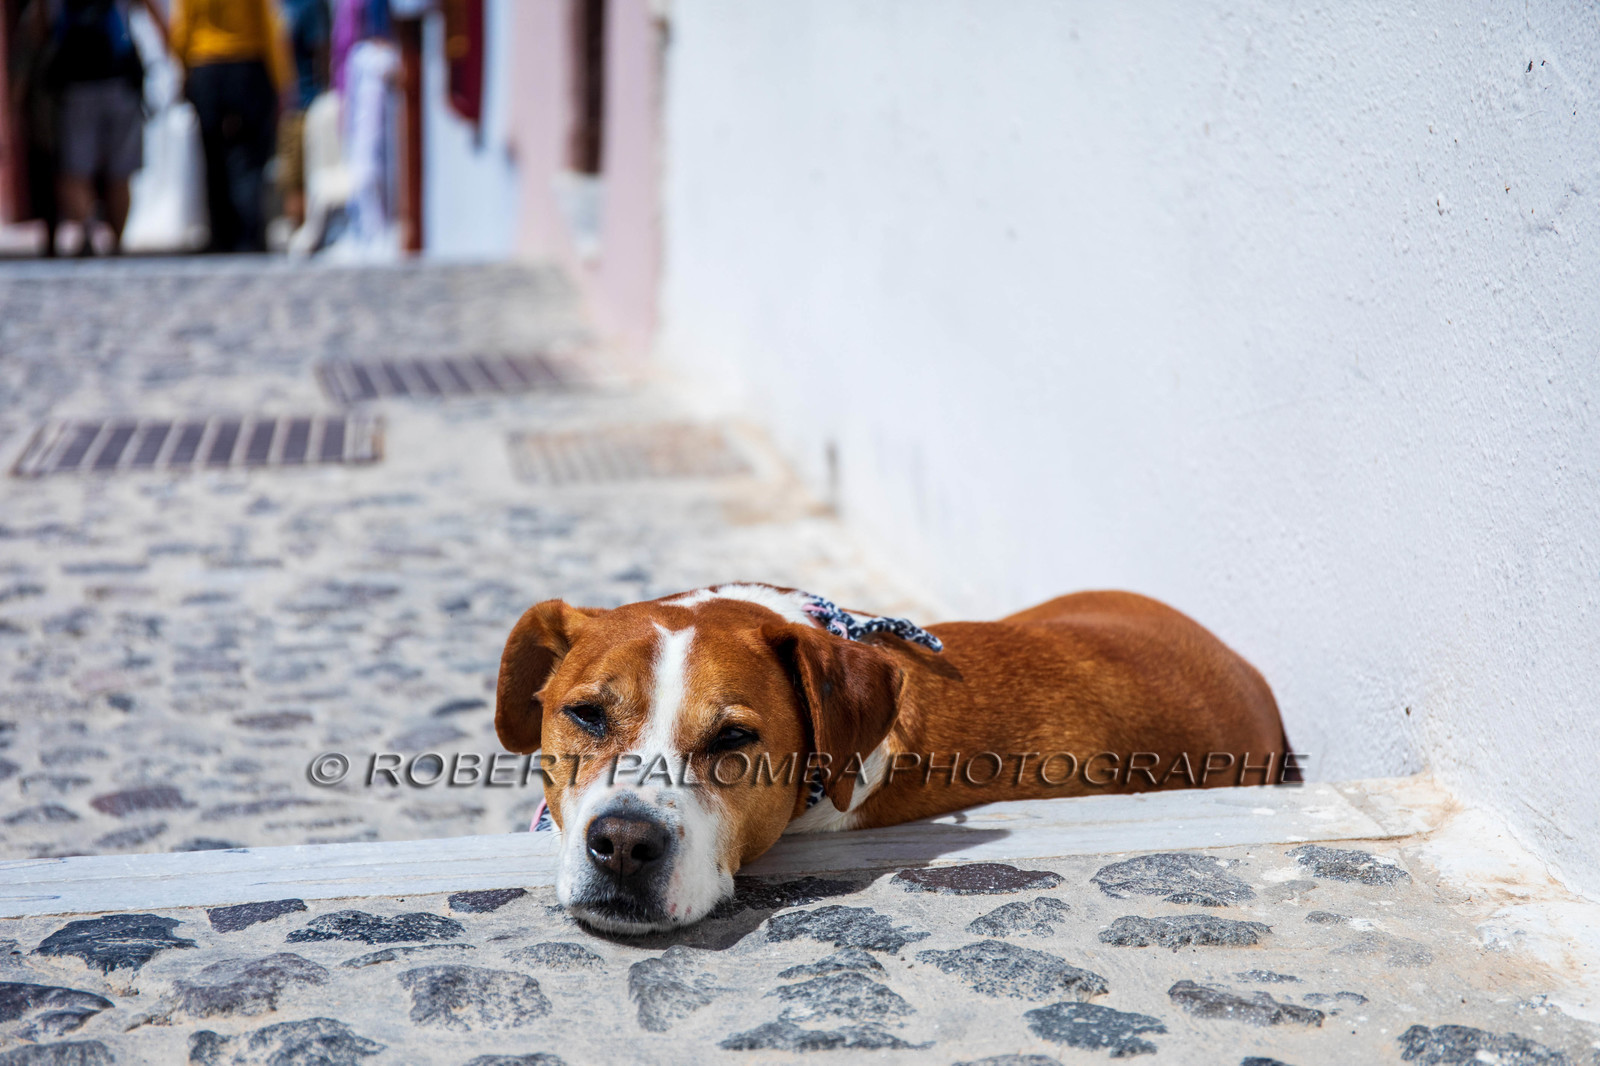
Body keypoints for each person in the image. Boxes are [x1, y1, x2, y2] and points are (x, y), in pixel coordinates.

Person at [169, 0, 291, 252]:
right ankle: (247, 236)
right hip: (246, 63)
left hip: (204, 66)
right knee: (247, 160)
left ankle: (220, 236)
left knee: (213, 159)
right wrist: (282, 79)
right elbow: (269, 22)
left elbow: (182, 25)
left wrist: (182, 66)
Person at [45, 0, 164, 255]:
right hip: (119, 80)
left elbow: (42, 24)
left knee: (76, 169)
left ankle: (89, 232)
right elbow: (149, 9)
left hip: (75, 83)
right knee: (121, 170)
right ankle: (117, 242)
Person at [274, 0, 328, 231]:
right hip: (287, 105)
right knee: (291, 181)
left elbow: (321, 51)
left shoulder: (306, 5)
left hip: (306, 103)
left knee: (304, 179)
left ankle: (307, 234)